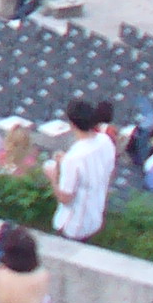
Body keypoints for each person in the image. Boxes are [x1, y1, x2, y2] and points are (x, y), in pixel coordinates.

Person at [48, 97, 117, 243]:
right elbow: (109, 172)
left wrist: (53, 176)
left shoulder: (73, 159)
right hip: (94, 217)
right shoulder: (106, 141)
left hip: (73, 226)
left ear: (72, 124)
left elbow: (65, 198)